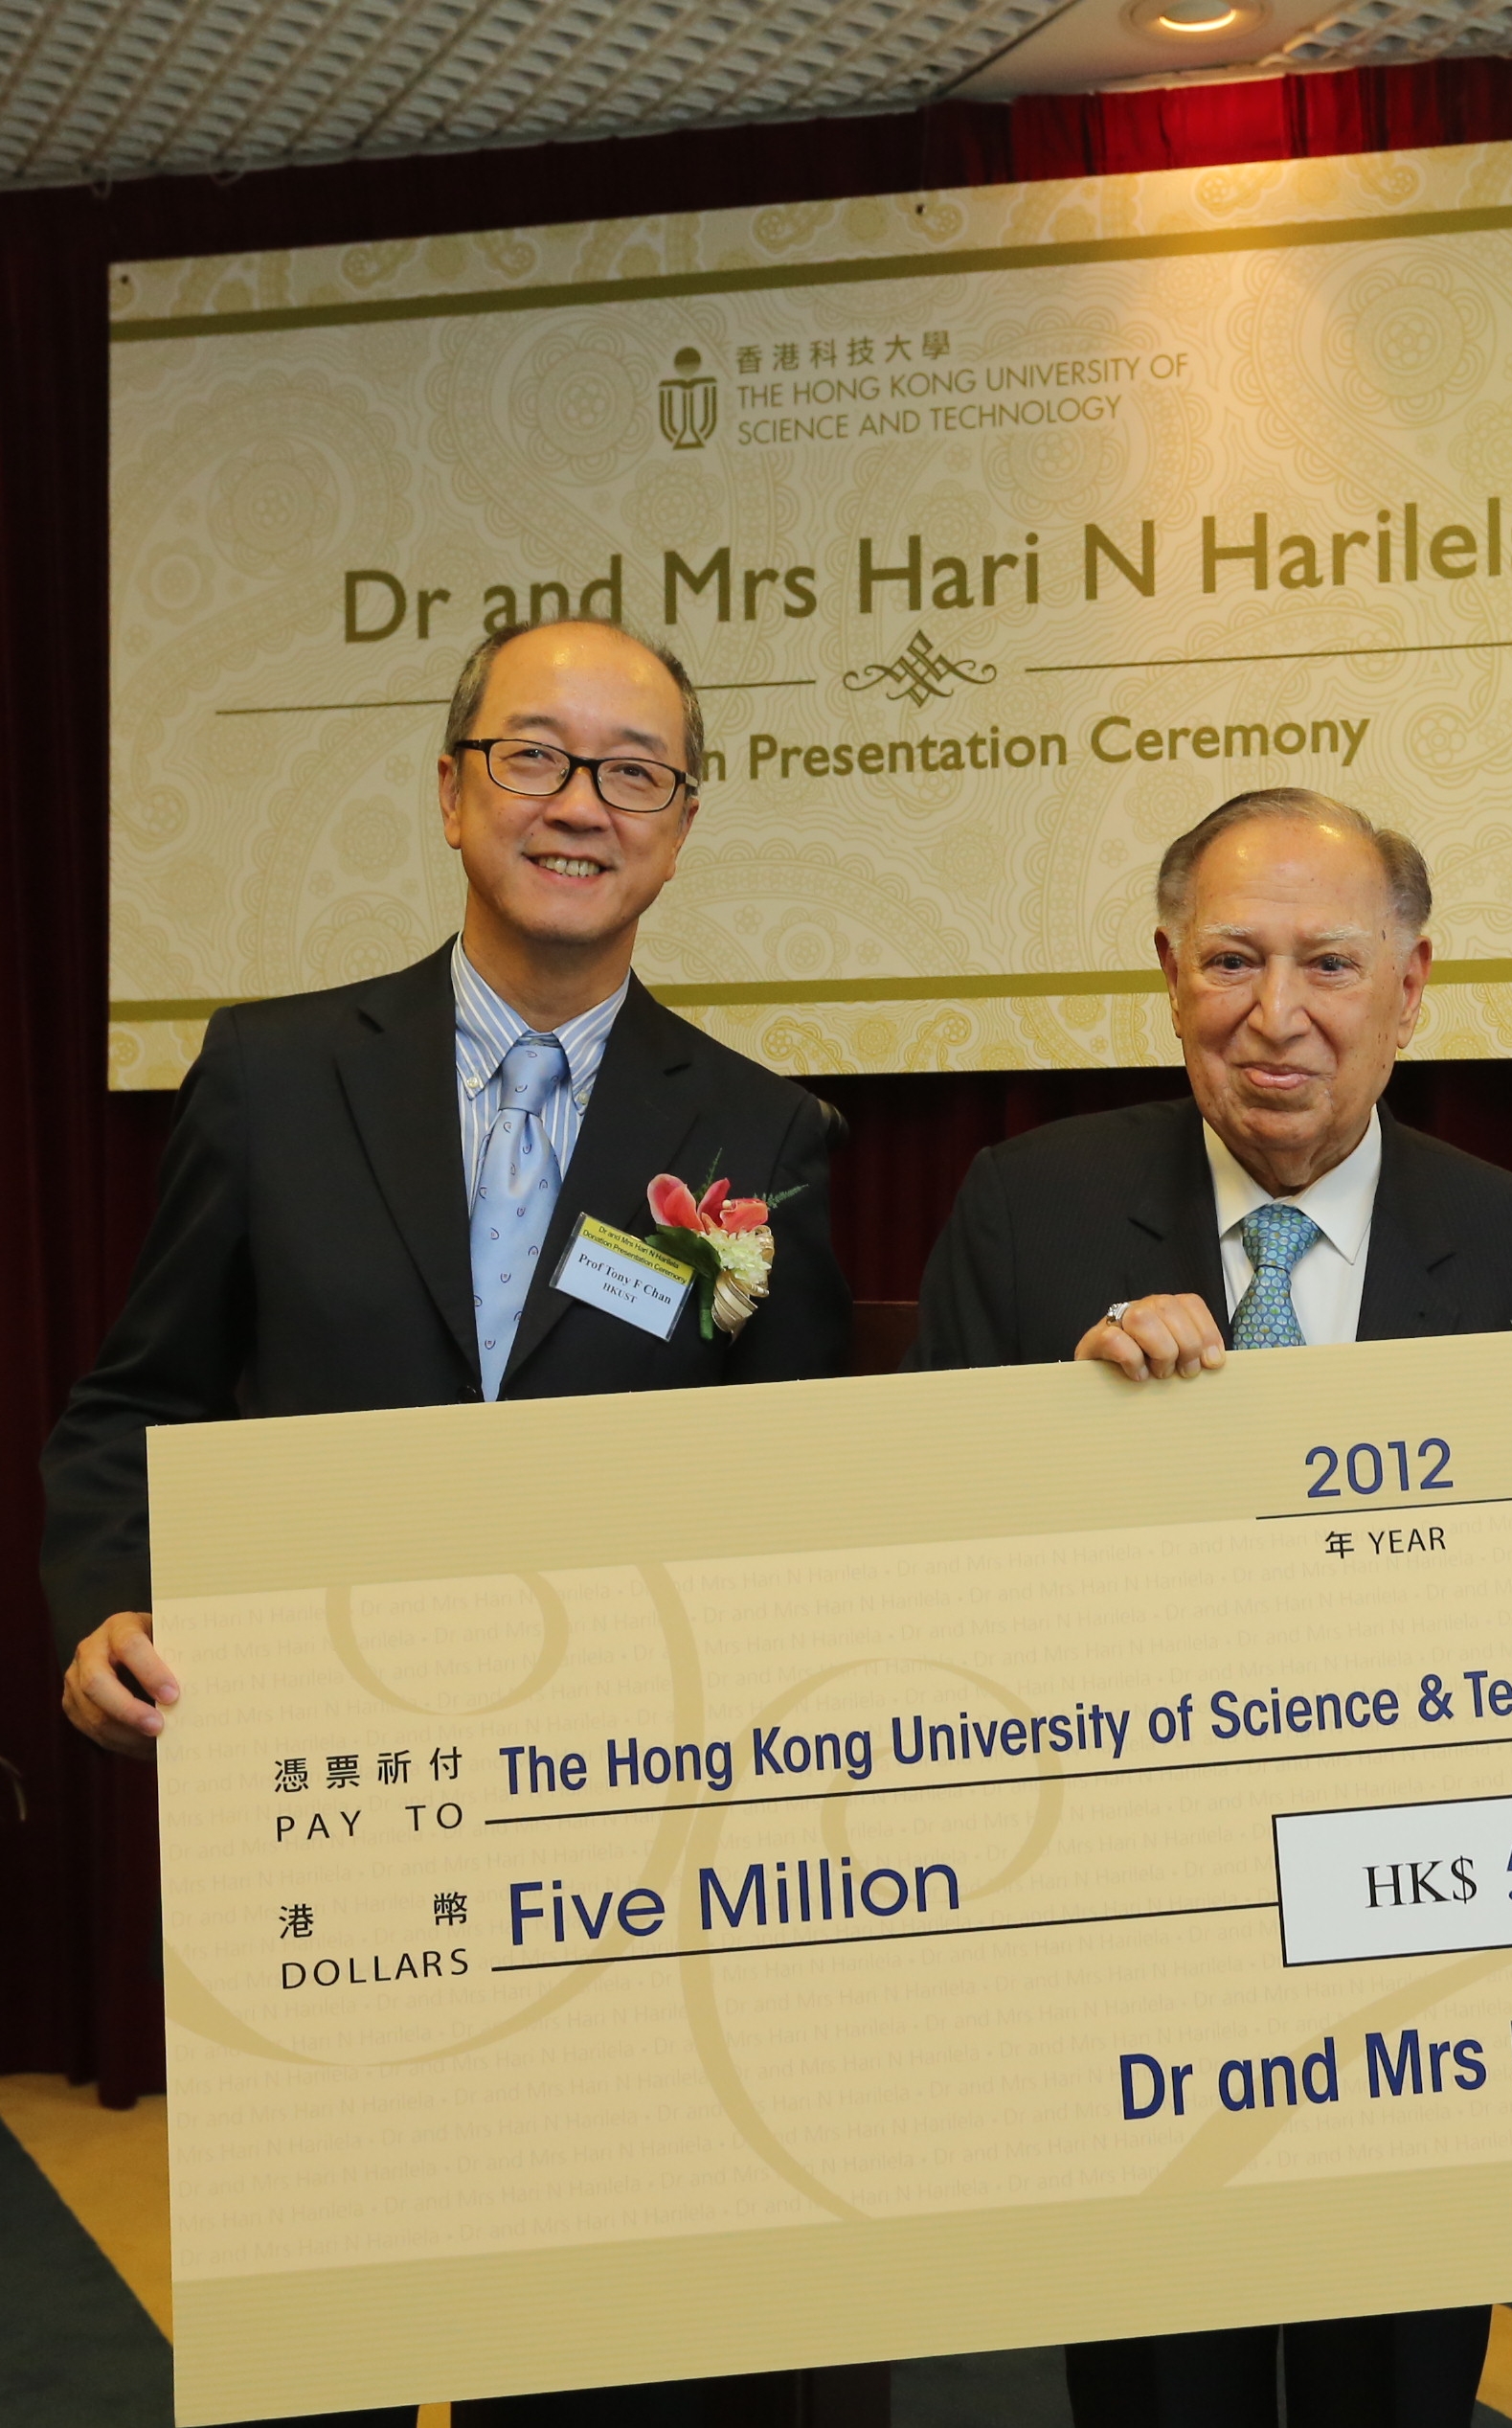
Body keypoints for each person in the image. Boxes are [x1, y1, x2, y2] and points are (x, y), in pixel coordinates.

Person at [46, 617, 852, 2427]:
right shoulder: (269, 1075)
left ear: (683, 822)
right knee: (324, 2350)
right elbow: (134, 1404)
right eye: (536, 756)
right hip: (328, 1831)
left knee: (582, 2357)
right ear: (450, 788)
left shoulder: (763, 1133)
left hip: (614, 1853)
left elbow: (791, 1502)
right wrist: (104, 1604)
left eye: (633, 770)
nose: (582, 803)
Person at [909, 783, 1512, 2428]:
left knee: (1400, 2382)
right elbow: (920, 1570)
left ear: (1413, 988)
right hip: (1138, 1937)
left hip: (1420, 1944)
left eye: (1329, 966)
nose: (1274, 1016)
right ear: (1167, 972)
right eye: (1231, 959)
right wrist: (1064, 1434)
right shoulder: (1030, 1211)